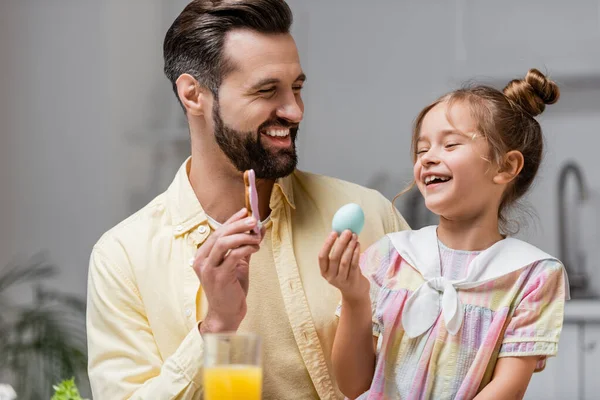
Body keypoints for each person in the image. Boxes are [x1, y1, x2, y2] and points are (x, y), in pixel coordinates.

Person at [85, 0, 409, 399]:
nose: (294, 110)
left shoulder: (374, 216)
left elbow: (440, 368)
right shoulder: (123, 258)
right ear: (193, 95)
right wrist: (216, 326)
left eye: (297, 88)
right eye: (267, 90)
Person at [319, 68, 569, 400]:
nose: (428, 158)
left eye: (450, 144)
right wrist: (354, 297)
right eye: (422, 150)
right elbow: (353, 385)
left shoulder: (534, 276)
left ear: (506, 167)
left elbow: (508, 388)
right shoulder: (389, 257)